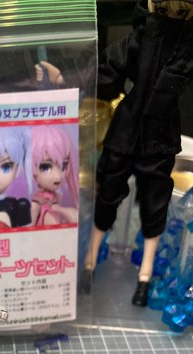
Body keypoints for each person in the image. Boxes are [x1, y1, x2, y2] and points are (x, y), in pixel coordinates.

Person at [82, 0, 193, 306]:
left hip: (160, 139)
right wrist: (70, 79)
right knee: (107, 193)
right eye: (163, 9)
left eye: (182, 12)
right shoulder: (138, 40)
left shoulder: (187, 50)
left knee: (155, 205)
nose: (171, 17)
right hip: (126, 131)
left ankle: (144, 275)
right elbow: (104, 74)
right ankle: (90, 261)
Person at [30, 126, 79, 226]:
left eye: (64, 165)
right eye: (45, 167)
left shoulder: (57, 197)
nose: (58, 176)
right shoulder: (36, 202)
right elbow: (28, 228)